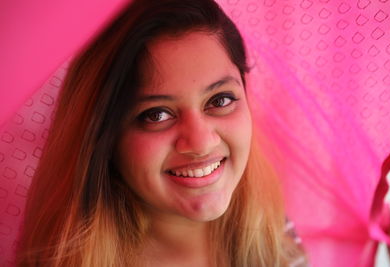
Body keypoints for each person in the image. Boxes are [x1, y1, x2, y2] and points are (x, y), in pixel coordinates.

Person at [16, 0, 306, 266]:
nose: (201, 143)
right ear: (104, 139)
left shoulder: (275, 235)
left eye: (220, 100)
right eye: (157, 115)